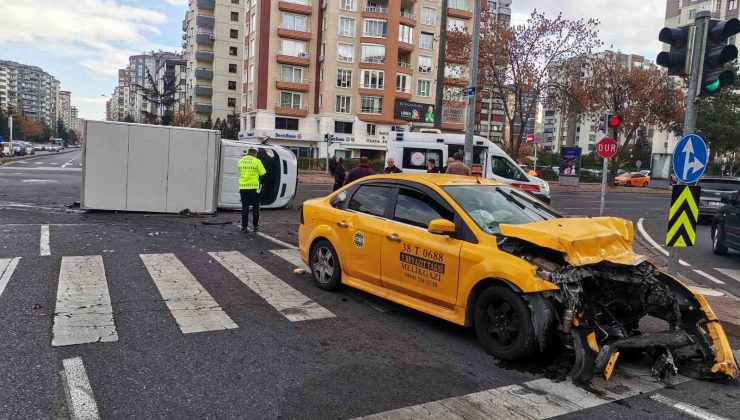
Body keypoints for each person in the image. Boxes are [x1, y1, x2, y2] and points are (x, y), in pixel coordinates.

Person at [238, 147, 267, 233]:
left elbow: (240, 171)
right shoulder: (257, 161)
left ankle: (244, 227)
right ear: (255, 153)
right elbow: (263, 173)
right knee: (255, 207)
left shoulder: (241, 160)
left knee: (245, 208)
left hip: (243, 187)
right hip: (254, 188)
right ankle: (255, 226)